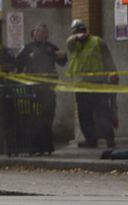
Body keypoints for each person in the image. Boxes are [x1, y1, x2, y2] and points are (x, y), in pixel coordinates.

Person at [14, 23, 67, 152]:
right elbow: (18, 63)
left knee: (48, 116)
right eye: (42, 33)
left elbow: (62, 61)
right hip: (32, 89)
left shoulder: (50, 47)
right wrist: (28, 58)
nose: (45, 36)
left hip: (48, 89)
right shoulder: (28, 48)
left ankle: (47, 145)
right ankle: (34, 146)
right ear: (35, 34)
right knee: (34, 118)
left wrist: (63, 56)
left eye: (46, 33)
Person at [65, 19, 118, 149]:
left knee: (103, 112)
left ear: (85, 30)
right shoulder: (74, 44)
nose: (79, 34)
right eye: (76, 32)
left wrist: (113, 74)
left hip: (98, 84)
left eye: (81, 31)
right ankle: (90, 140)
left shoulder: (97, 42)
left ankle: (110, 139)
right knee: (84, 114)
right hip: (81, 86)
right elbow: (69, 42)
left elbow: (108, 59)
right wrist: (76, 37)